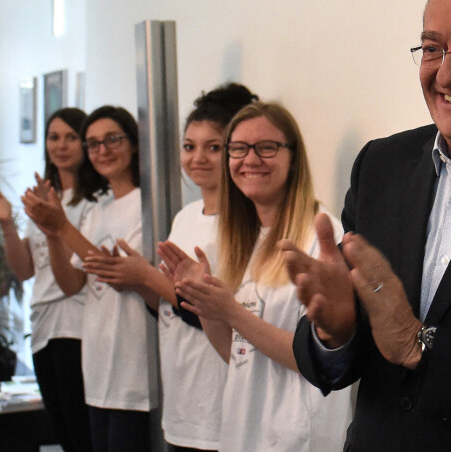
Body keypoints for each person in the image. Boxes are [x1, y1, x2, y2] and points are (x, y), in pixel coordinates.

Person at [282, 0, 451, 452]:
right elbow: (343, 354)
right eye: (433, 48)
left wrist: (419, 345)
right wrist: (335, 330)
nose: (443, 73)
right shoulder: (381, 165)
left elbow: (405, 339)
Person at [159, 102, 351, 452]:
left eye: (266, 148)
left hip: (298, 438)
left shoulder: (318, 235)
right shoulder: (235, 242)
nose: (250, 160)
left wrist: (231, 311)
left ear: (293, 158)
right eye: (238, 149)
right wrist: (204, 303)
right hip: (242, 432)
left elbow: (318, 361)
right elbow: (237, 355)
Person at [83, 83, 258, 452]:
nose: (198, 158)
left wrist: (146, 276)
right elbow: (169, 306)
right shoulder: (184, 217)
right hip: (180, 393)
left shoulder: (242, 224)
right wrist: (134, 280)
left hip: (217, 395)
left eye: (213, 147)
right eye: (189, 146)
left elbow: (216, 312)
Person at [22, 105, 157, 452]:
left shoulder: (149, 205)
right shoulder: (100, 208)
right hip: (98, 367)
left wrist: (61, 225)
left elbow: (117, 272)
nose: (103, 150)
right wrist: (54, 234)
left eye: (113, 139)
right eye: (94, 143)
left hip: (133, 369)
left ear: (135, 143)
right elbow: (72, 284)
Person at [0, 108, 93, 452]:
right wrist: (7, 224)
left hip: (79, 323)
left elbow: (79, 276)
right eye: (54, 137)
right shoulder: (43, 196)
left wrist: (57, 227)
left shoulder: (94, 201)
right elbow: (25, 270)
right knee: (63, 429)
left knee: (82, 428)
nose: (61, 145)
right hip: (44, 324)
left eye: (71, 137)